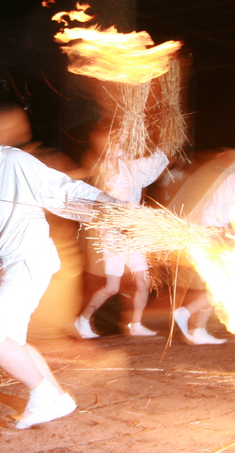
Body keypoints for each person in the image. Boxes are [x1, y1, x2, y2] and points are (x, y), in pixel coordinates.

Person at [0, 102, 121, 429]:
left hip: (26, 261)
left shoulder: (13, 161)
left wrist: (112, 205)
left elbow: (63, 188)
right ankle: (57, 397)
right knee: (14, 341)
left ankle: (43, 395)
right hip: (1, 266)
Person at [169, 145, 235, 345]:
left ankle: (198, 330)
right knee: (226, 283)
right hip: (214, 234)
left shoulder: (216, 172)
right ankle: (185, 312)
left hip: (199, 231)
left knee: (213, 283)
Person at [74, 138, 169, 338]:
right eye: (115, 144)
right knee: (112, 287)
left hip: (132, 232)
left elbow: (153, 164)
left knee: (143, 282)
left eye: (121, 144)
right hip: (112, 233)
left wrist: (165, 146)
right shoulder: (106, 169)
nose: (120, 147)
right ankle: (82, 319)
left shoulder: (132, 167)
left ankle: (135, 325)